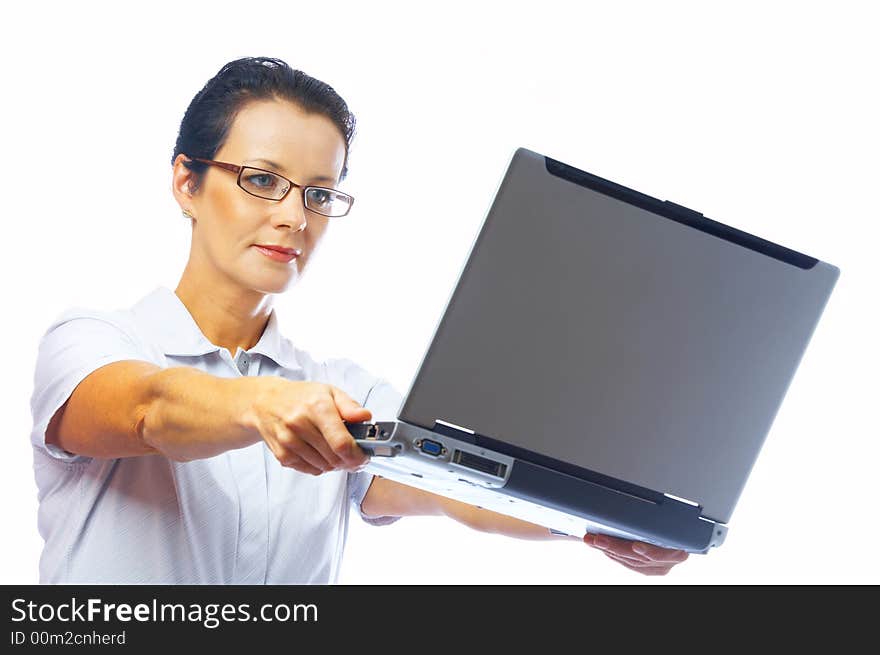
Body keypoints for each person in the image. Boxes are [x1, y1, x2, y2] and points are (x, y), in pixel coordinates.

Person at [29, 56, 689, 583]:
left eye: (319, 192)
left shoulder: (343, 394)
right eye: (263, 179)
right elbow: (149, 408)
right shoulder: (94, 341)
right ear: (187, 182)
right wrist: (261, 404)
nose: (294, 216)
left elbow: (457, 488)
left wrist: (586, 521)